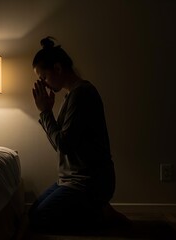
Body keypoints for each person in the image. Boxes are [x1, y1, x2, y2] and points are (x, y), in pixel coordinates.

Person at [29, 37, 129, 234]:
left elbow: (63, 145)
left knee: (41, 218)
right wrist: (47, 111)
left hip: (89, 182)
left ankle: (100, 214)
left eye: (44, 77)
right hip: (69, 180)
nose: (45, 84)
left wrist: (45, 113)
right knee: (33, 214)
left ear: (57, 68)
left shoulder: (82, 94)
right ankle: (97, 210)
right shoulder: (71, 96)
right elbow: (59, 144)